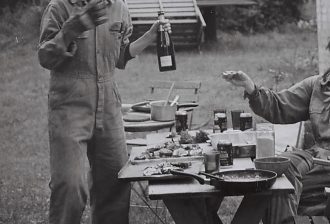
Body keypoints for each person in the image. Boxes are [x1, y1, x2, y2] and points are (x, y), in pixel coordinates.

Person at [37, 0, 171, 223]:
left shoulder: (120, 7)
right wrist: (70, 29)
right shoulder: (59, 7)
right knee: (70, 186)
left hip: (109, 104)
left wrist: (150, 36)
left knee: (114, 184)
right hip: (70, 105)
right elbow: (45, 58)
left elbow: (118, 57)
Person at [222, 70, 330, 223]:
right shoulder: (318, 85)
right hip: (316, 154)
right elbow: (280, 105)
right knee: (277, 167)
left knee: (279, 181)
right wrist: (250, 88)